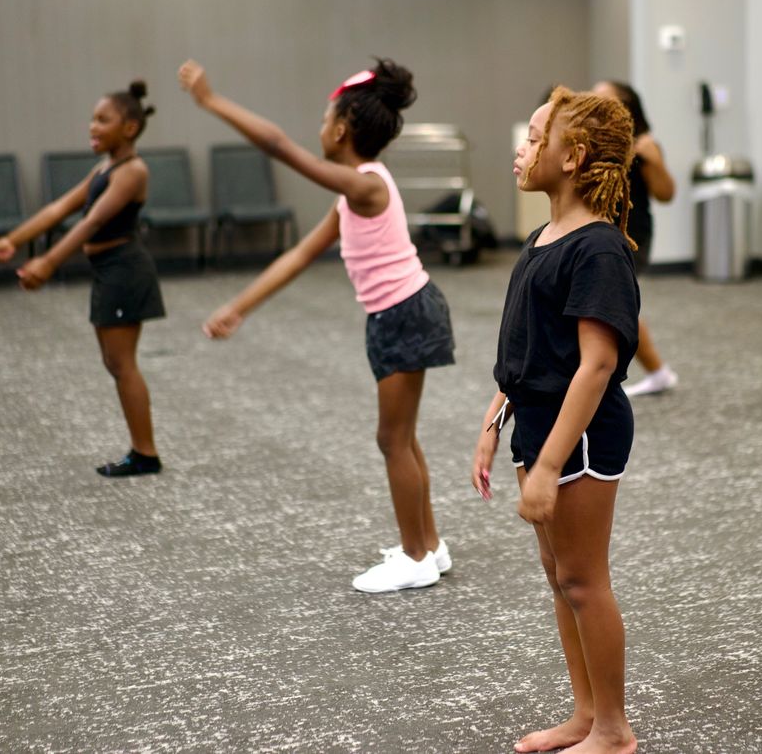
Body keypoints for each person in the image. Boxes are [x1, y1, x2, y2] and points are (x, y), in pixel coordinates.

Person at [178, 58, 456, 592]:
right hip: (401, 313)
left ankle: (415, 556)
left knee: (392, 439)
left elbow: (280, 147)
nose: (318, 129)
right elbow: (301, 254)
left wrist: (211, 101)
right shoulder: (354, 194)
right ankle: (430, 545)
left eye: (325, 120)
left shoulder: (365, 185)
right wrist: (240, 305)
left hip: (404, 314)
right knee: (403, 437)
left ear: (342, 130)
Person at [473, 86, 639, 754]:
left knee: (583, 578)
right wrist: (494, 419)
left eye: (536, 135)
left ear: (571, 157)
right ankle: (583, 714)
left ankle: (614, 729)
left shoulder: (597, 248)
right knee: (559, 578)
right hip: (537, 421)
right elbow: (531, 349)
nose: (523, 145)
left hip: (584, 431)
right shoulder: (544, 236)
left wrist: (547, 465)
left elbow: (595, 365)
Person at [0, 81, 165, 478]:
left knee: (122, 364)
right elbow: (58, 209)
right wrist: (13, 240)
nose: (93, 126)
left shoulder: (133, 172)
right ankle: (142, 450)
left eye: (103, 120)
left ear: (130, 128)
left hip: (124, 270)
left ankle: (146, 454)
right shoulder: (105, 168)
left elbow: (95, 220)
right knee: (115, 362)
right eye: (93, 119)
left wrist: (48, 262)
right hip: (108, 272)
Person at [593, 80, 677, 397]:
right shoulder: (595, 142)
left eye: (603, 100)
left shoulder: (643, 145)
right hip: (597, 234)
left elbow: (666, 194)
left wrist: (653, 159)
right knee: (611, 307)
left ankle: (656, 372)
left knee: (616, 308)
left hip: (631, 236)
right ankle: (656, 373)